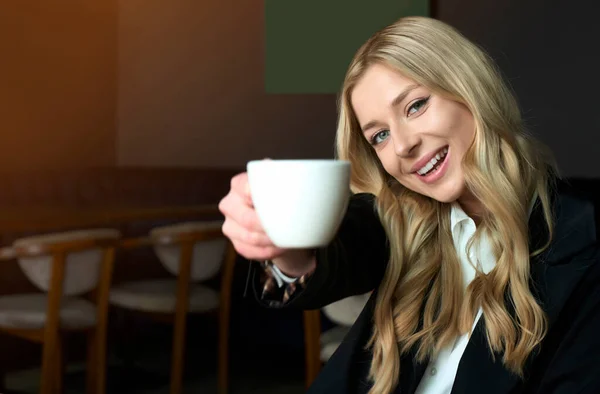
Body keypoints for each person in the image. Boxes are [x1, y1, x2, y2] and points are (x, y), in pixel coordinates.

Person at [218, 16, 600, 394]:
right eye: (379, 135)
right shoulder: (397, 221)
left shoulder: (582, 240)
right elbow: (338, 249)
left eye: (415, 105)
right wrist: (286, 249)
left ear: (469, 89)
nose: (402, 146)